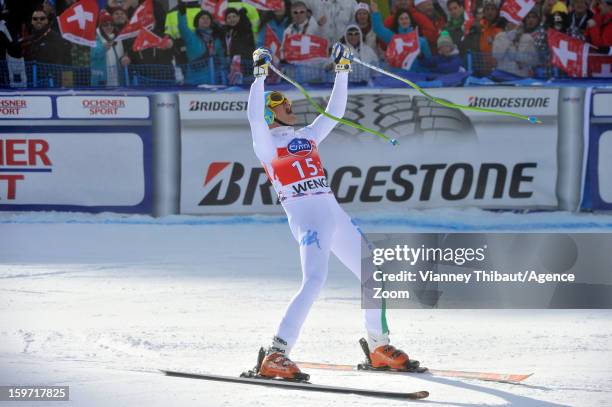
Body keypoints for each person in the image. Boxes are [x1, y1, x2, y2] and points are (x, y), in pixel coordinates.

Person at [246, 44, 419, 380]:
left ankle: (379, 346)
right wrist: (259, 77)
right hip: (307, 216)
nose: (290, 107)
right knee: (314, 280)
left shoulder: (307, 136)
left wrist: (342, 70)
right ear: (270, 113)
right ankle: (276, 353)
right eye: (282, 104)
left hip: (333, 212)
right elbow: (253, 117)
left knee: (373, 275)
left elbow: (335, 112)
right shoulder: (267, 144)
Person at [371, 3, 432, 72]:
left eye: (406, 18)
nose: (404, 21)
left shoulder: (421, 41)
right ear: (398, 22)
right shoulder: (392, 38)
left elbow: (430, 63)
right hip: (399, 79)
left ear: (410, 21)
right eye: (401, 19)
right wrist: (375, 12)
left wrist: (421, 56)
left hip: (417, 78)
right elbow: (378, 28)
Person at [21, 8, 70, 86]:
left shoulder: (56, 38)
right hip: (31, 84)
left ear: (47, 21)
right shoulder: (28, 40)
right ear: (32, 22)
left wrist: (67, 85)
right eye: (35, 19)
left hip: (53, 85)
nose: (38, 21)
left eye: (42, 18)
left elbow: (66, 62)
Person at [178, 7, 225, 84]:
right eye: (202, 18)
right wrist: (182, 14)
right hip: (194, 81)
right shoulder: (191, 36)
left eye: (208, 18)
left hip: (214, 81)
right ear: (197, 22)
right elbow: (183, 27)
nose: (205, 20)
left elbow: (222, 59)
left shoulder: (216, 40)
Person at [91, 10, 125, 86]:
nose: (109, 27)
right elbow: (94, 55)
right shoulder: (95, 38)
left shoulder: (117, 38)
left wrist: (125, 57)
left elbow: (121, 55)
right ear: (100, 26)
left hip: (117, 78)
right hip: (101, 79)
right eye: (105, 24)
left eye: (111, 24)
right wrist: (104, 48)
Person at [223, 7, 255, 75]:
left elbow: (247, 25)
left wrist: (243, 15)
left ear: (239, 17)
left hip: (246, 64)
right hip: (231, 64)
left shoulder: (244, 30)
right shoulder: (227, 32)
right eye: (229, 17)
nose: (232, 19)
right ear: (226, 20)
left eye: (234, 16)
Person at [477, 0, 503, 75]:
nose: (490, 12)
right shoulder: (478, 27)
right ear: (484, 12)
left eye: (492, 9)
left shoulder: (502, 27)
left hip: (499, 70)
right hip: (481, 68)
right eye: (487, 9)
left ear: (497, 11)